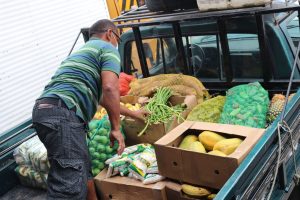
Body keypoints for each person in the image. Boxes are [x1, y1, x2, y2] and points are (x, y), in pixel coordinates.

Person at [32, 19, 147, 200]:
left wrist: (134, 113)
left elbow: (103, 98)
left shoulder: (82, 53)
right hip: (64, 115)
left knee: (81, 171)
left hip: (45, 111)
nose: (117, 42)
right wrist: (116, 128)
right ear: (110, 34)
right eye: (118, 37)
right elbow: (110, 88)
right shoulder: (107, 48)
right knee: (69, 187)